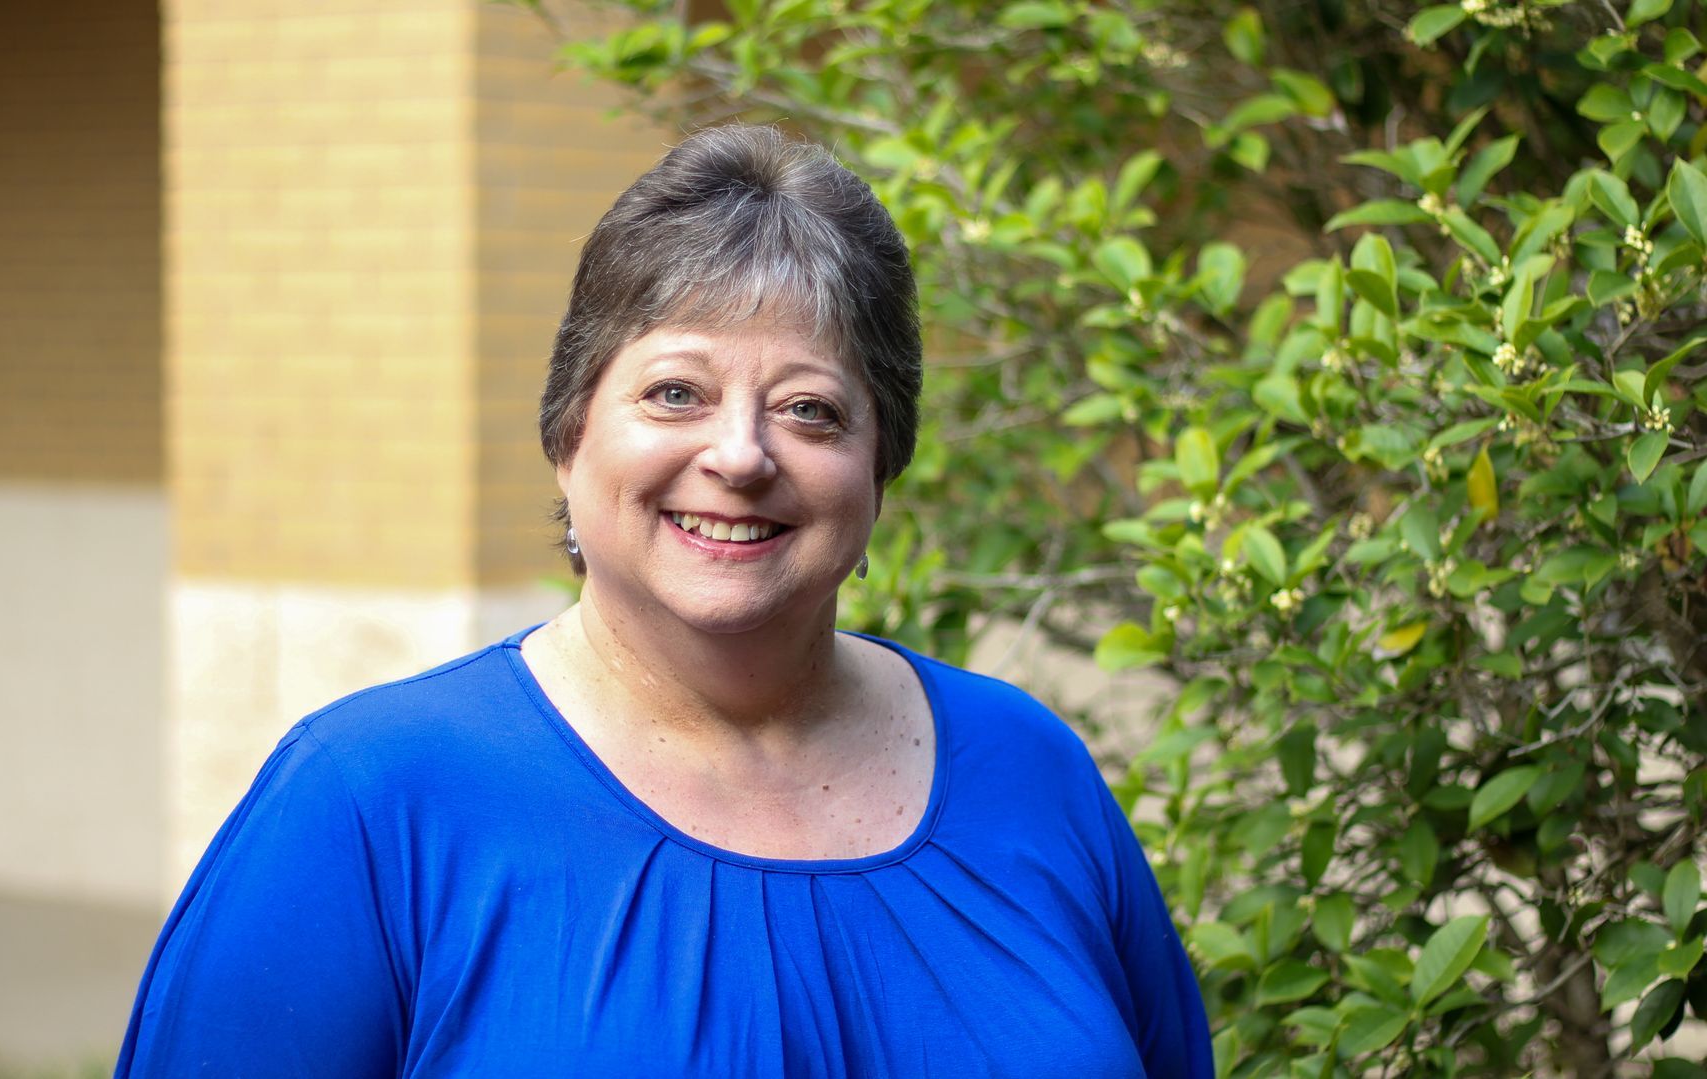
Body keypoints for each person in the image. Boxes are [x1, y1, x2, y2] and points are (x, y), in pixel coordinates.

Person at [115, 124, 1211, 1077]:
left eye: (811, 410)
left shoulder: (1031, 767)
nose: (740, 454)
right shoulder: (368, 798)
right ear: (569, 434)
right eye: (676, 392)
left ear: (881, 469)